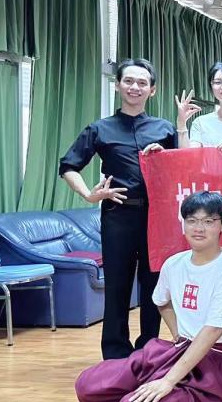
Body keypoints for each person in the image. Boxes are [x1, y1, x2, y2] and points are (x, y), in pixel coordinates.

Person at [74, 191, 222, 402]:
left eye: (209, 221)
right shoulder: (174, 264)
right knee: (88, 387)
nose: (199, 228)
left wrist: (167, 381)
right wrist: (178, 335)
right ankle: (153, 384)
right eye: (192, 220)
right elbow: (162, 302)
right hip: (180, 349)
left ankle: (186, 390)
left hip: (216, 358)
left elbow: (212, 330)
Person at [60, 58, 177, 359]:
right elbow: (68, 166)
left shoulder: (164, 129)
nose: (135, 87)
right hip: (117, 214)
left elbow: (182, 169)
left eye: (142, 83)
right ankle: (115, 354)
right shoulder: (100, 129)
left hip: (156, 217)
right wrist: (88, 194)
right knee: (117, 285)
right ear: (118, 85)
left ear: (152, 90)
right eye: (129, 81)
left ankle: (148, 348)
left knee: (154, 285)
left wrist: (165, 157)